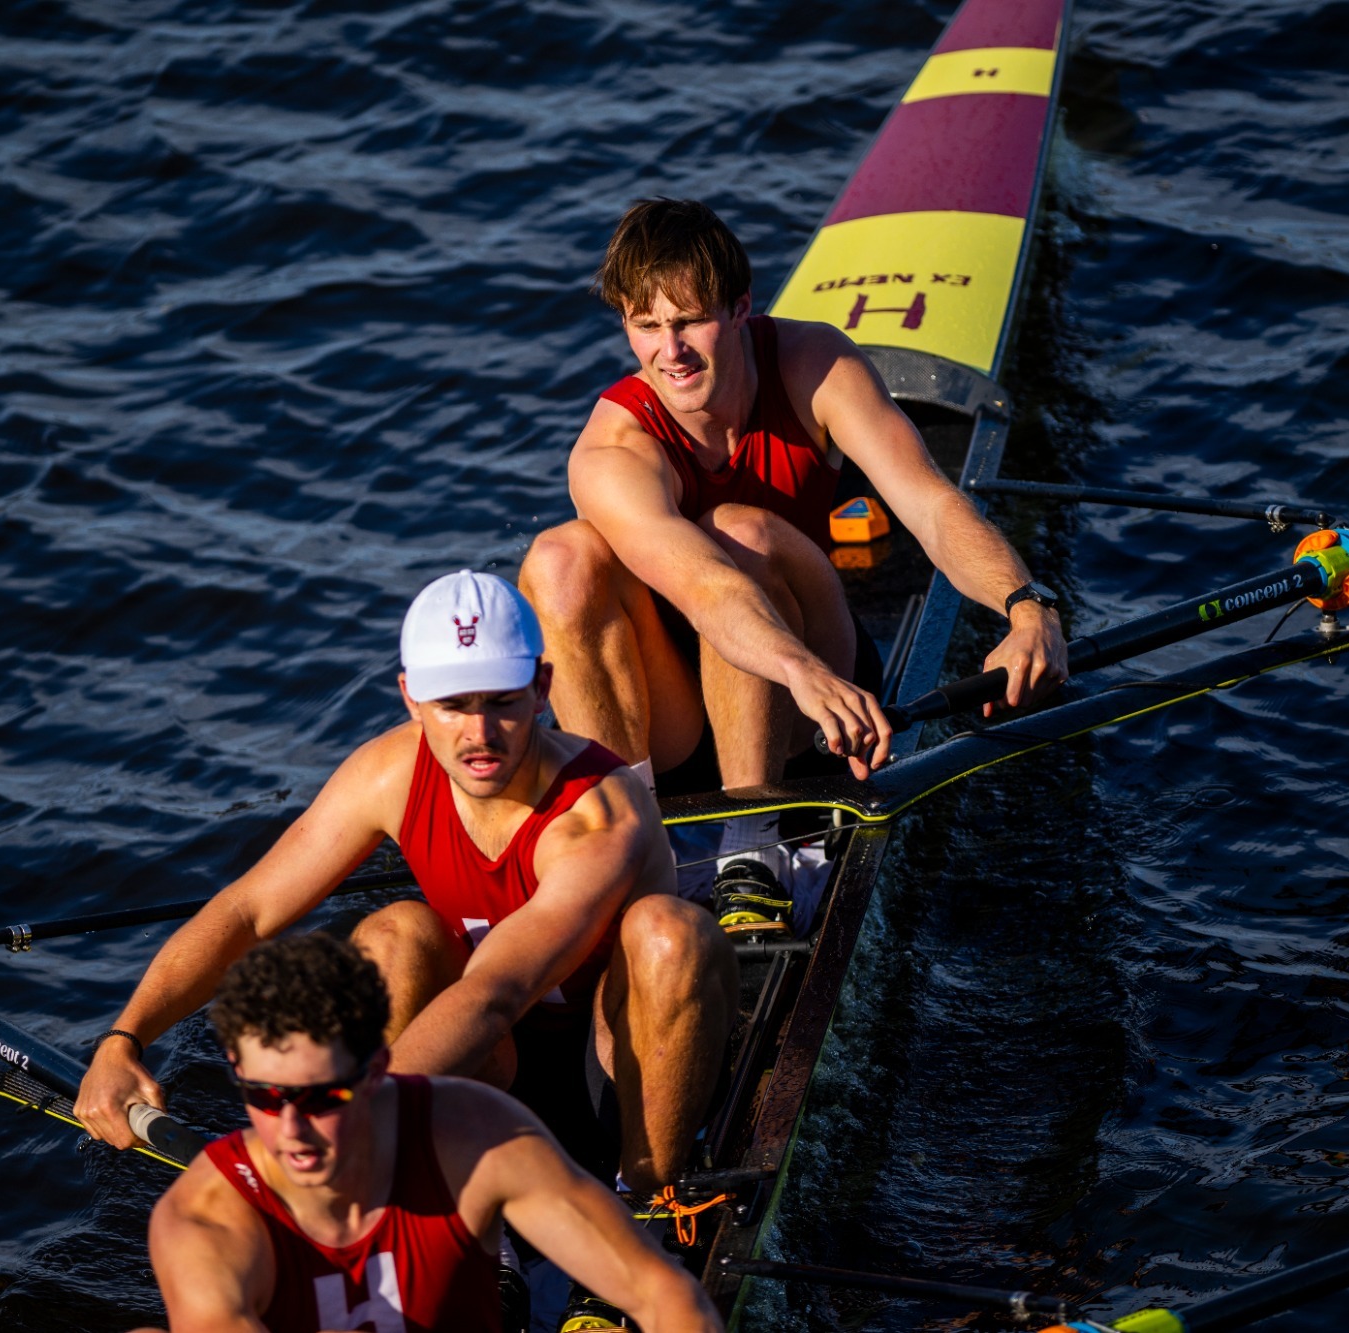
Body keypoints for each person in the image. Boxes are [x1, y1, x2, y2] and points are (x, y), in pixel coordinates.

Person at [78, 570, 738, 1201]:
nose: (479, 735)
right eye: (452, 706)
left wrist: (342, 1117)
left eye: (503, 703)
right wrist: (125, 1038)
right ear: (410, 698)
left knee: (670, 934)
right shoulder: (387, 773)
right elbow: (248, 909)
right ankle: (432, 1197)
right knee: (396, 931)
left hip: (614, 1071)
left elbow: (494, 994)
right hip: (492, 1070)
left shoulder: (598, 810)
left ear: (542, 688)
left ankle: (648, 1202)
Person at [516, 198, 1068, 921]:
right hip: (707, 704)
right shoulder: (613, 449)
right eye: (645, 326)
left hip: (822, 679)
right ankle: (631, 848)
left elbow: (930, 506)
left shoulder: (817, 364)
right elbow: (703, 587)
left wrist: (1026, 604)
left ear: (742, 306)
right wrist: (790, 669)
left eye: (689, 321)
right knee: (559, 559)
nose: (669, 351)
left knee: (737, 528)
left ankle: (752, 852)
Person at [137, 932, 722, 1333]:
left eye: (322, 1097)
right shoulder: (205, 1218)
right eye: (266, 1096)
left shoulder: (474, 1134)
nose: (292, 1131)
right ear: (239, 1074)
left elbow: (663, 1296)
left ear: (374, 1071)